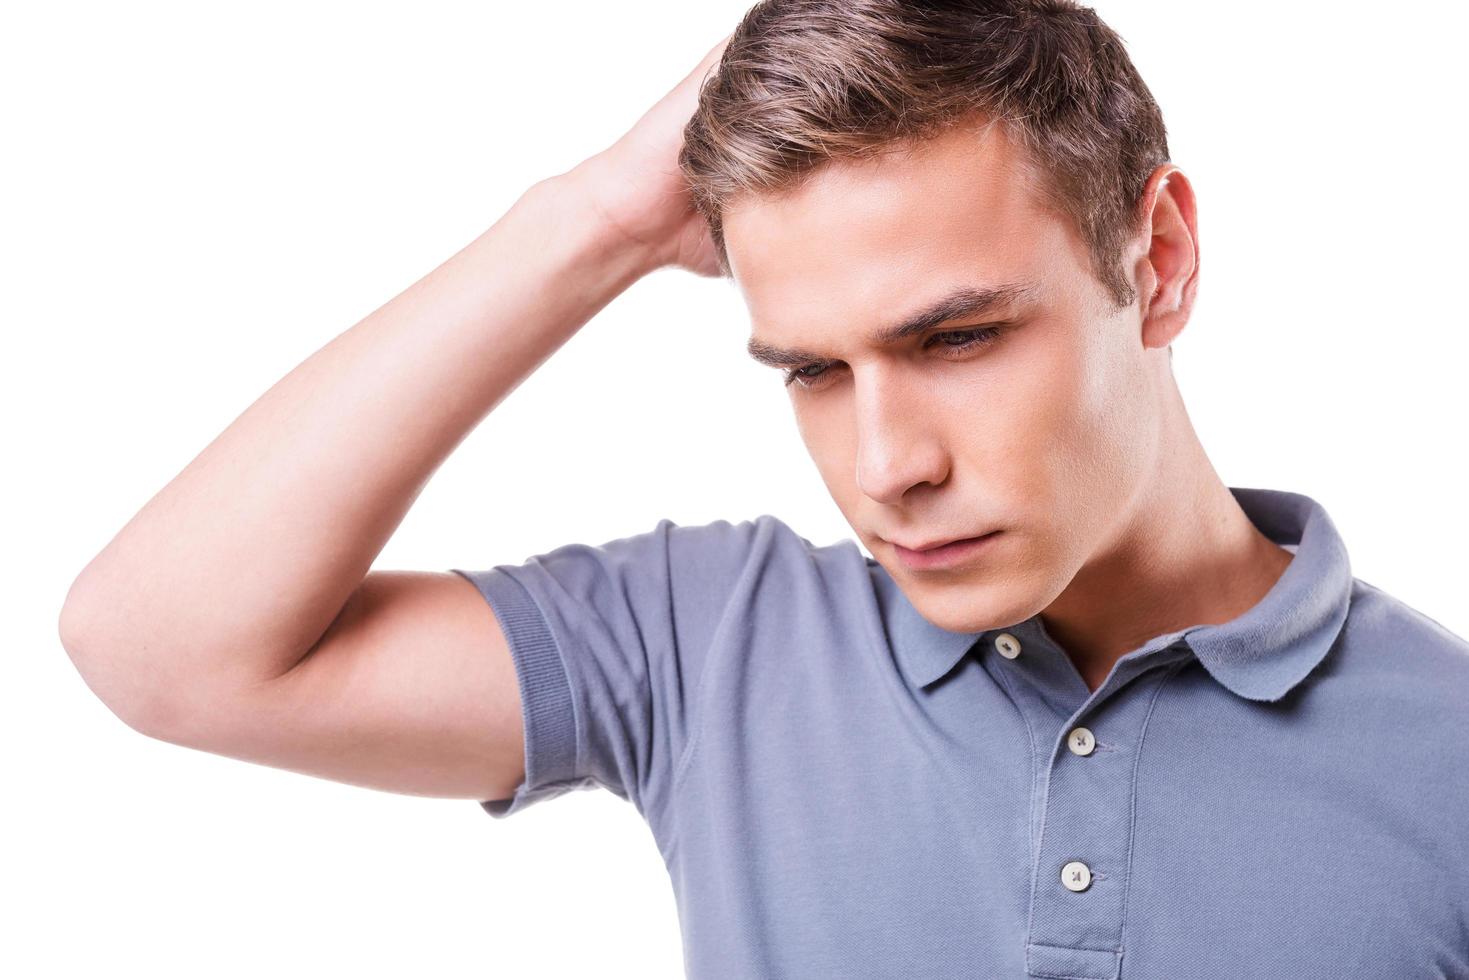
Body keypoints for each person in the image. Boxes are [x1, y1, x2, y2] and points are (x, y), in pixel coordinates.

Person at [58, 1, 1469, 977]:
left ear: (1155, 260)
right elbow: (162, 651)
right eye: (809, 370)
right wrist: (597, 221)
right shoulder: (709, 642)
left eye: (956, 337)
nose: (885, 464)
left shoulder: (1445, 759)